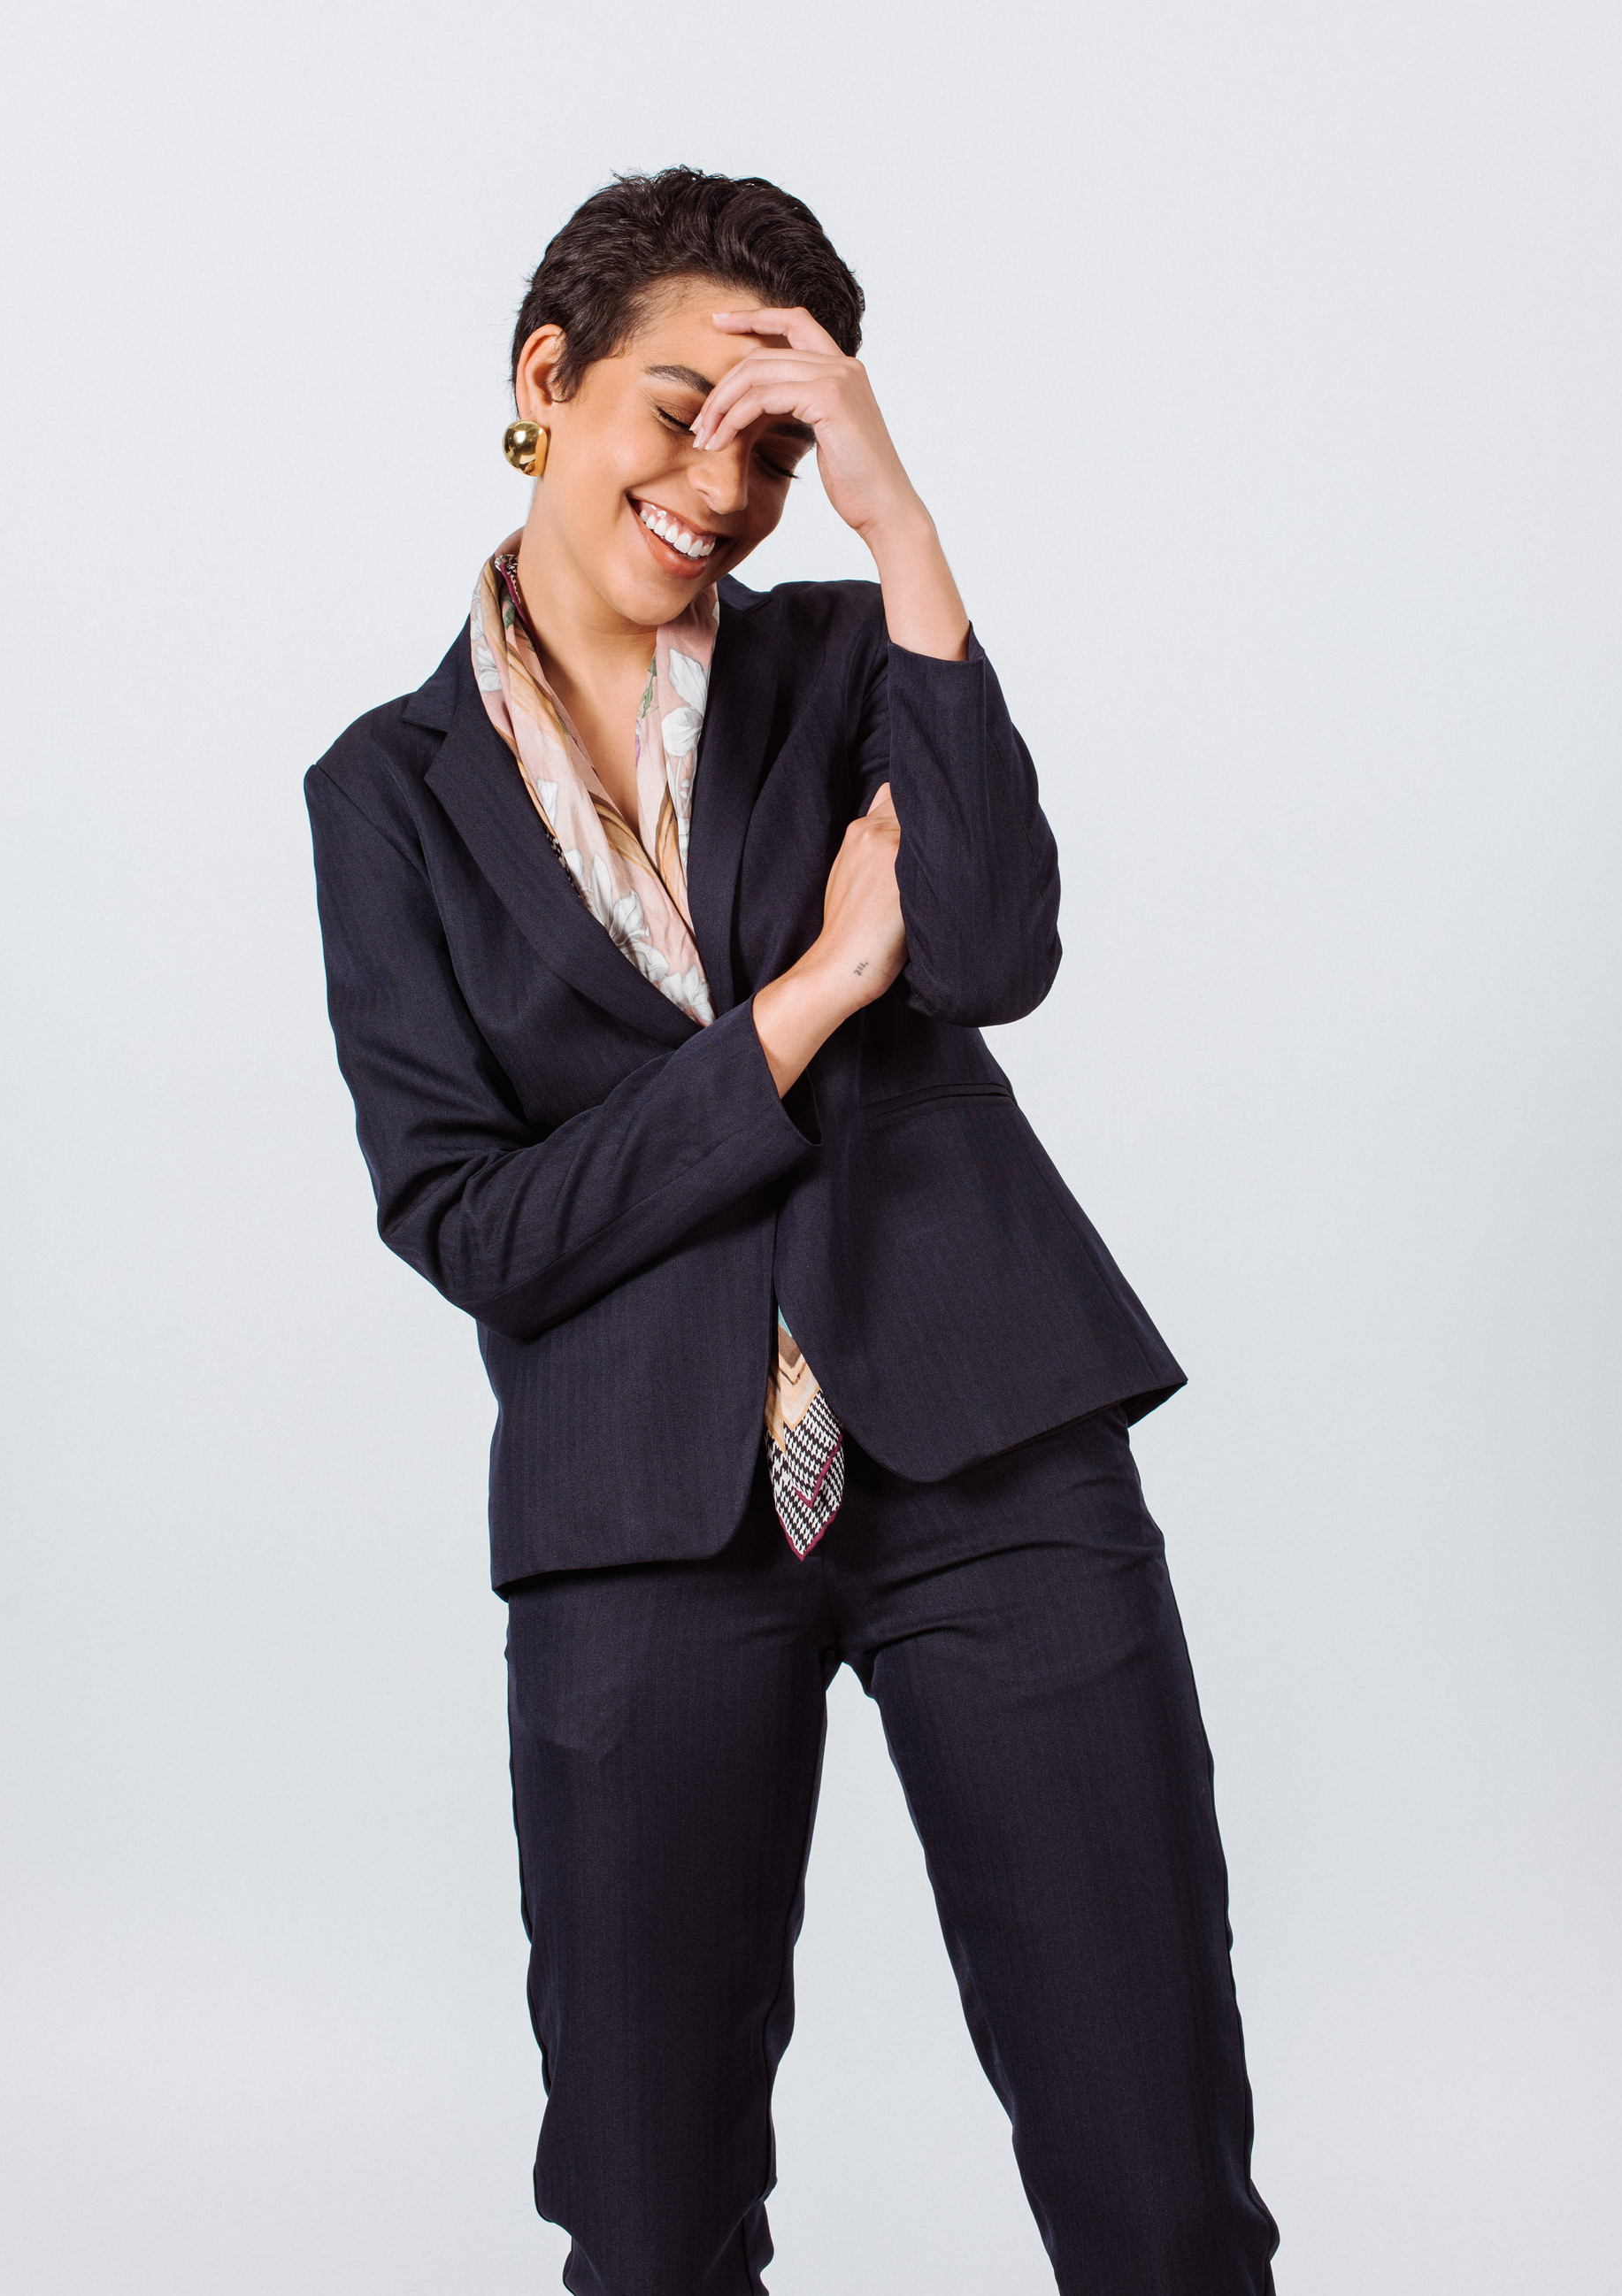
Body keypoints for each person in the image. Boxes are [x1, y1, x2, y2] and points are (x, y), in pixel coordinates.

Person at [306, 166, 1278, 2295]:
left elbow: (1001, 946)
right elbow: (477, 1221)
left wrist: (901, 523)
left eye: (772, 445)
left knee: (1159, 2180)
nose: (720, 489)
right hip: (638, 1521)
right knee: (647, 2228)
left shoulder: (849, 659)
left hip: (991, 1459)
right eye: (676, 414)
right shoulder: (381, 797)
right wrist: (808, 1002)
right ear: (544, 386)